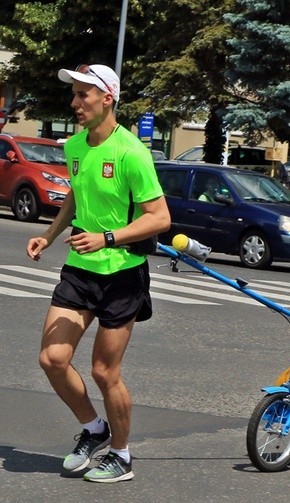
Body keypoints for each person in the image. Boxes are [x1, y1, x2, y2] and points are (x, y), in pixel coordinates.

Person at [26, 63, 171, 483]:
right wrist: (50, 235)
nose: (75, 103)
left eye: (83, 94)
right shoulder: (75, 147)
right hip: (80, 271)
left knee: (105, 372)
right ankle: (94, 429)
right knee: (52, 358)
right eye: (73, 94)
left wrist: (107, 238)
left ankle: (122, 457)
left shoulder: (132, 152)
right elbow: (77, 191)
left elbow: (160, 217)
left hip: (123, 273)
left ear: (107, 98)